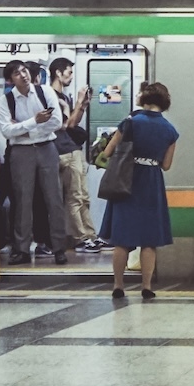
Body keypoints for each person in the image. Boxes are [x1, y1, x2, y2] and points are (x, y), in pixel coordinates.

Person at [0, 59, 79, 266]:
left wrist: (23, 129)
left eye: (24, 71)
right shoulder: (5, 101)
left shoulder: (45, 92)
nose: (23, 75)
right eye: (17, 73)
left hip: (47, 148)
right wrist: (34, 121)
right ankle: (21, 249)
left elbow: (56, 122)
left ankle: (58, 247)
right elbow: (6, 130)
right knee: (22, 200)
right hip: (20, 152)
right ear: (10, 80)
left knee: (54, 197)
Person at [102, 81, 180, 301]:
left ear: (144, 99)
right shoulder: (170, 130)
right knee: (149, 240)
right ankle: (146, 286)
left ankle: (118, 285)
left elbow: (108, 151)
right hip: (151, 183)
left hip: (126, 181)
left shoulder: (131, 122)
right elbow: (166, 165)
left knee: (122, 239)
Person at [49, 58, 108, 256]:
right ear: (58, 73)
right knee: (74, 197)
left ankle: (91, 235)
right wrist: (78, 102)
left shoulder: (63, 97)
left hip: (72, 148)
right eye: (69, 72)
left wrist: (82, 106)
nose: (70, 76)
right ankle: (80, 238)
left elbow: (74, 119)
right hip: (62, 151)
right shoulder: (51, 96)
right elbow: (68, 125)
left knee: (83, 196)